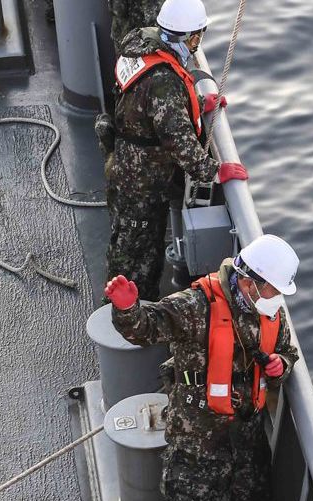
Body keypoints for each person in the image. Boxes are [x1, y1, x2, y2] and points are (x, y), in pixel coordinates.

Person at [104, 234, 300, 501]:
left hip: (245, 427)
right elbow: (147, 327)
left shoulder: (270, 309)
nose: (277, 297)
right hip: (199, 433)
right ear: (249, 280)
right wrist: (127, 309)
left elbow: (286, 350)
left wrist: (282, 364)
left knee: (251, 495)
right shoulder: (195, 306)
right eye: (273, 289)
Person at [106, 0, 246, 302]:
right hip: (142, 179)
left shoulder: (139, 41)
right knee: (140, 247)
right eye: (197, 37)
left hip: (125, 161)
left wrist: (194, 102)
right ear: (192, 37)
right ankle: (126, 309)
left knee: (128, 236)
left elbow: (151, 104)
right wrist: (216, 171)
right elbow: (178, 140)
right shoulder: (164, 84)